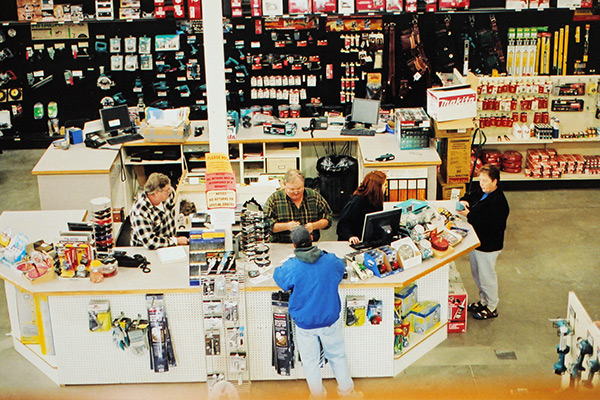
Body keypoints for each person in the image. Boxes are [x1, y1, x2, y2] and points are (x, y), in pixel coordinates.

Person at [273, 226, 362, 399]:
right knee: (337, 356)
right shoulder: (329, 261)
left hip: (305, 323)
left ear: (293, 245)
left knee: (310, 362)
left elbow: (280, 278)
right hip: (329, 319)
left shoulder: (292, 266)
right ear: (312, 239)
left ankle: (317, 395)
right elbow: (340, 267)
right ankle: (347, 393)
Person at [457, 164, 509, 320]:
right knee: (477, 274)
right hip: (477, 242)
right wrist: (464, 200)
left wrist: (469, 214)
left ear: (495, 181)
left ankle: (492, 306)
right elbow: (471, 195)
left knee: (486, 277)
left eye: (485, 181)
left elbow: (488, 225)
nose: (482, 184)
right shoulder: (483, 191)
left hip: (488, 245)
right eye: (480, 180)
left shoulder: (499, 203)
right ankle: (483, 301)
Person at [264, 169, 332, 243]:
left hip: (309, 245)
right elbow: (265, 225)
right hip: (282, 244)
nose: (296, 192)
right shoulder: (274, 199)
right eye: (292, 189)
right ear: (284, 184)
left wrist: (313, 226)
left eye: (299, 188)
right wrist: (286, 226)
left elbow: (328, 218)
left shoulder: (314, 197)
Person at [130, 172, 189, 249]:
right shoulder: (140, 211)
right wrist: (176, 241)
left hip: (168, 244)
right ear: (156, 193)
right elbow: (150, 243)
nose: (170, 191)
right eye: (166, 190)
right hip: (146, 250)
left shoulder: (168, 196)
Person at [337, 171, 387, 244]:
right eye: (384, 185)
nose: (386, 187)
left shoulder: (377, 200)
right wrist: (350, 236)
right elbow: (343, 224)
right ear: (377, 187)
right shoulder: (357, 200)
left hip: (367, 240)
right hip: (353, 241)